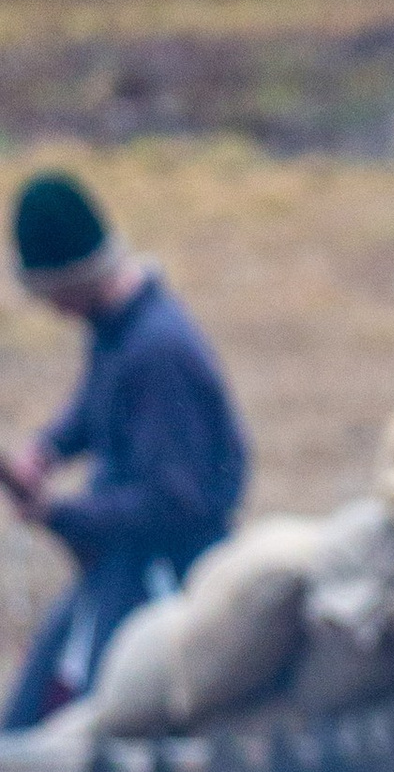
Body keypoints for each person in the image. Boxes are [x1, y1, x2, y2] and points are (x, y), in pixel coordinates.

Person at [2, 170, 248, 727]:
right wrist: (48, 449)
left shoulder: (157, 352)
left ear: (74, 280)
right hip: (119, 558)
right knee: (26, 719)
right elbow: (95, 407)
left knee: (93, 725)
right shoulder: (116, 330)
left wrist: (59, 511)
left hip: (163, 573)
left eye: (53, 295)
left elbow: (174, 504)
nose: (51, 310)